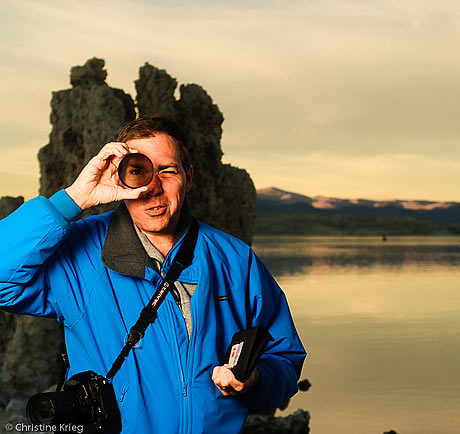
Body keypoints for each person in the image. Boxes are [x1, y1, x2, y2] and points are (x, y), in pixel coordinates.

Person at [0, 116, 306, 434]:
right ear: (120, 176)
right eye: (139, 172)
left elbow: (284, 356)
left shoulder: (235, 260)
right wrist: (75, 198)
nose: (153, 188)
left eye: (168, 171)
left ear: (189, 177)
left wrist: (256, 380)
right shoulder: (81, 256)